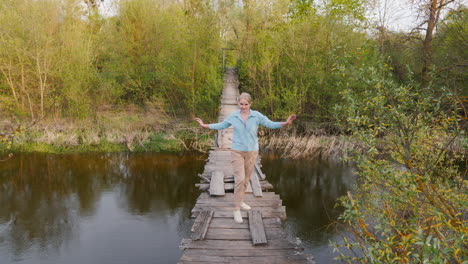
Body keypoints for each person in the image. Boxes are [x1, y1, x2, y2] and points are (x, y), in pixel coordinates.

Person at [194, 92, 296, 223]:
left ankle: (240, 201)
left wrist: (286, 123)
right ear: (238, 104)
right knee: (240, 179)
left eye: (245, 104)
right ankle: (236, 209)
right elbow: (222, 125)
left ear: (250, 104)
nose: (243, 106)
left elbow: (270, 124)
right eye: (241, 104)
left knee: (246, 180)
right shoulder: (234, 116)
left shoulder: (256, 115)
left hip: (252, 151)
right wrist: (205, 125)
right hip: (237, 151)